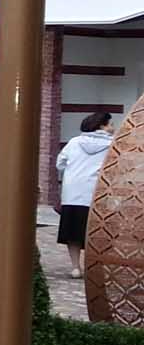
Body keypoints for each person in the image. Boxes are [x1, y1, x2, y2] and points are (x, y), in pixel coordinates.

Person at [56, 111, 119, 279]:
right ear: (102, 126)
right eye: (111, 124)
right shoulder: (113, 144)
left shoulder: (74, 142)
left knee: (72, 234)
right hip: (97, 194)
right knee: (97, 233)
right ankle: (94, 267)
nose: (113, 127)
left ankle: (76, 267)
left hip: (72, 194)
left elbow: (60, 164)